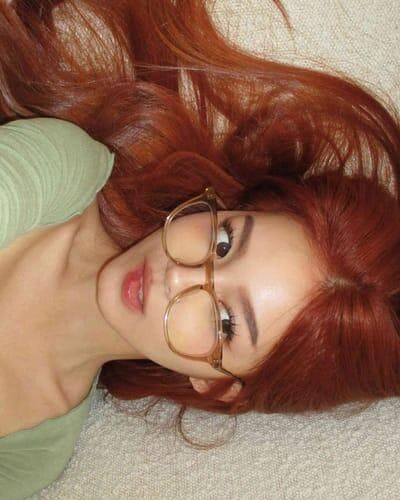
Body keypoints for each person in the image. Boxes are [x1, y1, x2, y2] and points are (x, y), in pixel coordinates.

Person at [0, 0, 400, 497]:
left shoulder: (35, 455)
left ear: (218, 385)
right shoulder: (61, 168)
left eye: (226, 322)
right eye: (225, 243)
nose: (178, 277)